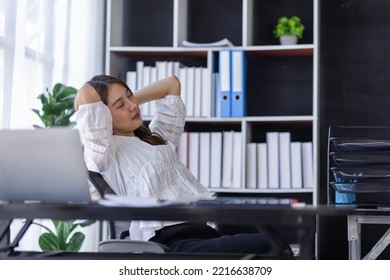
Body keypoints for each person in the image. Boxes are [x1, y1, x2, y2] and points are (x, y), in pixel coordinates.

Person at [74, 74, 293, 257]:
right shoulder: (105, 152)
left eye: (130, 96)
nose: (132, 106)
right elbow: (86, 94)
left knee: (276, 244)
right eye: (120, 105)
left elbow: (172, 84)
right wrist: (108, 108)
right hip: (168, 243)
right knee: (271, 246)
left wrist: (128, 103)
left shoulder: (156, 138)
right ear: (101, 116)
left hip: (202, 232)